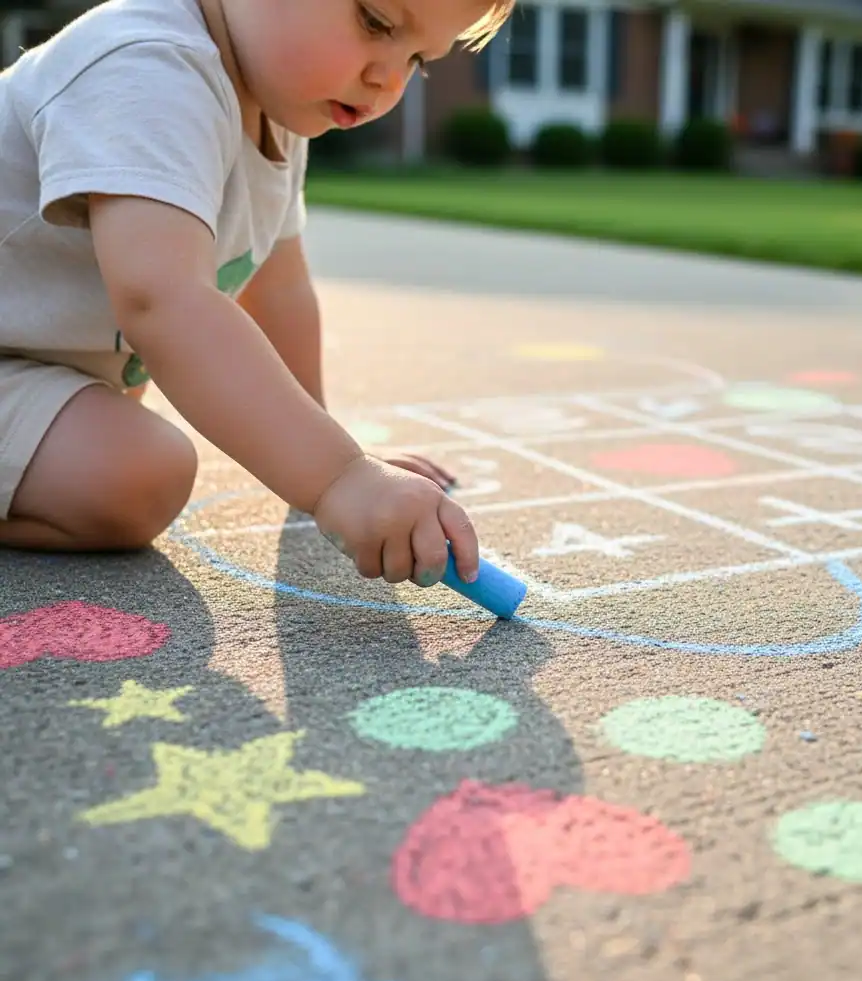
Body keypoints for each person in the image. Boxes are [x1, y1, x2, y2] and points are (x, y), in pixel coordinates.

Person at [0, 0, 510, 588]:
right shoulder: (145, 66)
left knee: (124, 462)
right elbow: (162, 300)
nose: (389, 79)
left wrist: (335, 454)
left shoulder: (277, 111)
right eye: (376, 22)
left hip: (30, 372)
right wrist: (336, 477)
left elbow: (278, 289)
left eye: (418, 59)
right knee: (136, 473)